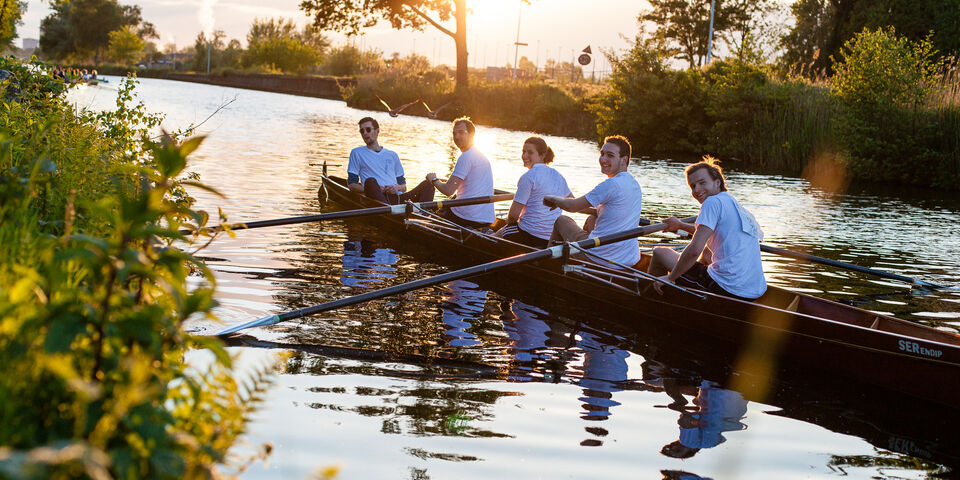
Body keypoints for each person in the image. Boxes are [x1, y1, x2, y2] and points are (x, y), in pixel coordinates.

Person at [650, 156, 767, 300]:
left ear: (717, 182)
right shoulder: (733, 203)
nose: (696, 190)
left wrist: (671, 277)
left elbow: (694, 250)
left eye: (702, 183)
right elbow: (709, 233)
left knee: (659, 252)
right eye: (693, 186)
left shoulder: (711, 202)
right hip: (755, 290)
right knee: (707, 254)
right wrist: (681, 225)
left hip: (726, 289)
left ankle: (652, 297)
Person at [542, 135, 643, 267]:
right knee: (591, 219)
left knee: (562, 221)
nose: (603, 159)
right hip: (628, 258)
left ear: (624, 160)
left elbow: (573, 206)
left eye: (610, 155)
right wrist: (562, 203)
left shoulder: (611, 184)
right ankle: (572, 258)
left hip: (600, 258)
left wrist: (553, 198)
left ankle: (547, 266)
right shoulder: (634, 184)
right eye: (602, 154)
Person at [494, 136, 572, 248]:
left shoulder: (528, 177)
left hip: (529, 237)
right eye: (523, 151)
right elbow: (572, 202)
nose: (524, 156)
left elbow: (512, 216)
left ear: (542, 155)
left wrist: (507, 223)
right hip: (551, 240)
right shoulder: (559, 176)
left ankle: (488, 238)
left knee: (506, 228)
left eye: (530, 152)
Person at [426, 117, 495, 229]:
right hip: (487, 218)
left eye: (461, 133)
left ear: (472, 134)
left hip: (467, 217)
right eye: (454, 133)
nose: (456, 137)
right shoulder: (481, 155)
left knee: (430, 218)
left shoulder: (466, 156)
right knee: (449, 202)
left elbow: (448, 190)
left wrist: (433, 179)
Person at [347, 117, 434, 205]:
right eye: (362, 131)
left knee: (428, 184)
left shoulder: (392, 155)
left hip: (397, 198)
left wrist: (396, 188)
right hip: (376, 196)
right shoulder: (357, 153)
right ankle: (389, 211)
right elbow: (351, 185)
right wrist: (378, 189)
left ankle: (423, 214)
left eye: (368, 129)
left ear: (377, 131)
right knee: (370, 181)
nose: (365, 133)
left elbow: (403, 187)